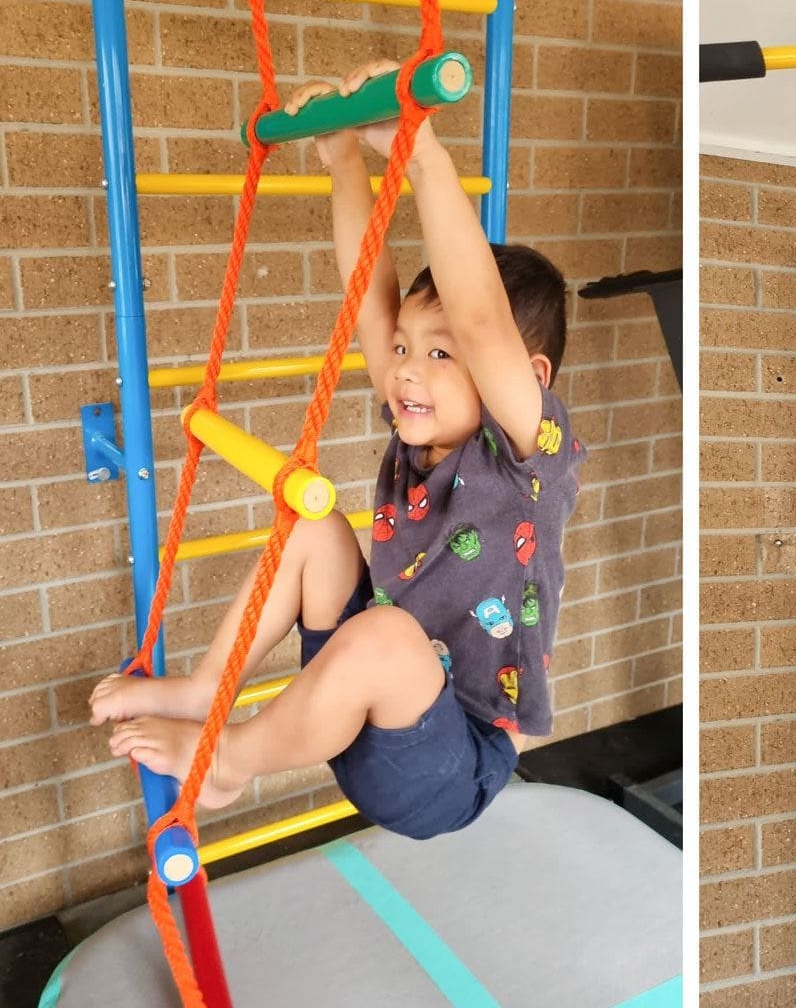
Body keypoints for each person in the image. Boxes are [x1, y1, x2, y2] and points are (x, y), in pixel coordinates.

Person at [89, 59, 585, 840]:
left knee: (389, 638)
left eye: (441, 354)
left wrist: (421, 156)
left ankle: (232, 757)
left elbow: (485, 320)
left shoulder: (530, 455)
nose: (408, 369)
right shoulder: (416, 418)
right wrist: (345, 157)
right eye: (404, 349)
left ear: (528, 377)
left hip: (448, 764)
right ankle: (204, 690)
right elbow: (369, 289)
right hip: (356, 707)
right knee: (313, 522)